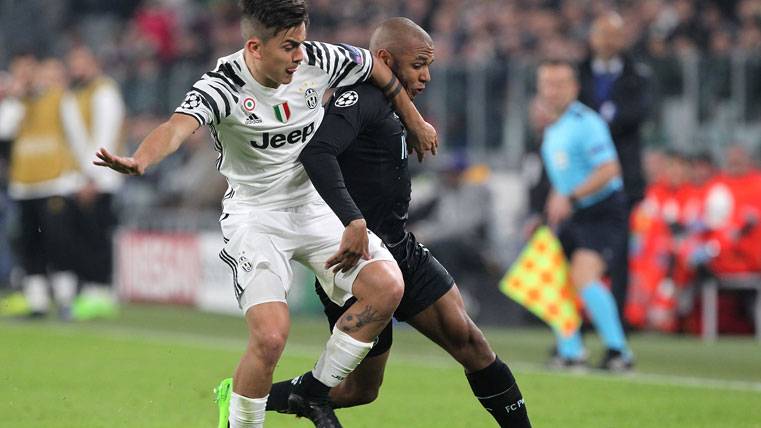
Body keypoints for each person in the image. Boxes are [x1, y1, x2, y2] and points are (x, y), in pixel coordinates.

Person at [93, 1, 437, 427]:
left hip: (313, 206)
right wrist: (141, 159)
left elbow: (377, 69)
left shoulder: (320, 58)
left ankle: (312, 392)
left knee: (387, 287)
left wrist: (414, 121)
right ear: (255, 47)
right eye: (289, 47)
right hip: (256, 216)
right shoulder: (223, 85)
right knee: (271, 337)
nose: (299, 56)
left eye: (302, 43)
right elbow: (177, 127)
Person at [266, 18, 530, 427]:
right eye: (418, 65)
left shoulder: (395, 105)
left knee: (472, 344)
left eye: (429, 66)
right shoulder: (359, 98)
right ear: (386, 60)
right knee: (359, 390)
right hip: (361, 260)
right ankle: (251, 397)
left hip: (400, 247)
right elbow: (317, 153)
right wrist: (353, 221)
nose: (426, 76)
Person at [535, 58, 634, 371]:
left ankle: (619, 352)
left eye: (559, 84)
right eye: (547, 84)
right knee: (552, 277)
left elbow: (609, 170)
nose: (552, 90)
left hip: (601, 209)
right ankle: (571, 351)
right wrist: (556, 198)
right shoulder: (555, 127)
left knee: (583, 276)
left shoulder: (586, 123)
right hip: (574, 212)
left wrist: (571, 195)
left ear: (574, 88)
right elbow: (566, 174)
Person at [578, 12, 651, 315]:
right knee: (580, 246)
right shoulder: (578, 73)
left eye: (614, 34)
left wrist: (596, 124)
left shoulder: (639, 75)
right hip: (583, 174)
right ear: (592, 37)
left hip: (622, 175)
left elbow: (638, 115)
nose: (608, 40)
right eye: (603, 33)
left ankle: (617, 317)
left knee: (619, 252)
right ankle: (580, 316)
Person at [0, 56, 82, 320]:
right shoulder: (17, 105)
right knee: (29, 246)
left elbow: (77, 135)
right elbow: (3, 130)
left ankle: (66, 299)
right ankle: (37, 302)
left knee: (58, 243)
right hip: (24, 184)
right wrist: (15, 99)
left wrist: (87, 174)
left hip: (54, 182)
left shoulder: (59, 98)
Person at [61, 44, 125, 320]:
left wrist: (93, 177)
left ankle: (100, 293)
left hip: (100, 180)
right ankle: (90, 292)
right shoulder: (76, 93)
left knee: (96, 238)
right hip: (82, 178)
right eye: (73, 62)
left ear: (93, 63)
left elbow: (104, 134)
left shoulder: (103, 91)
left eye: (81, 61)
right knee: (82, 239)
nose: (76, 67)